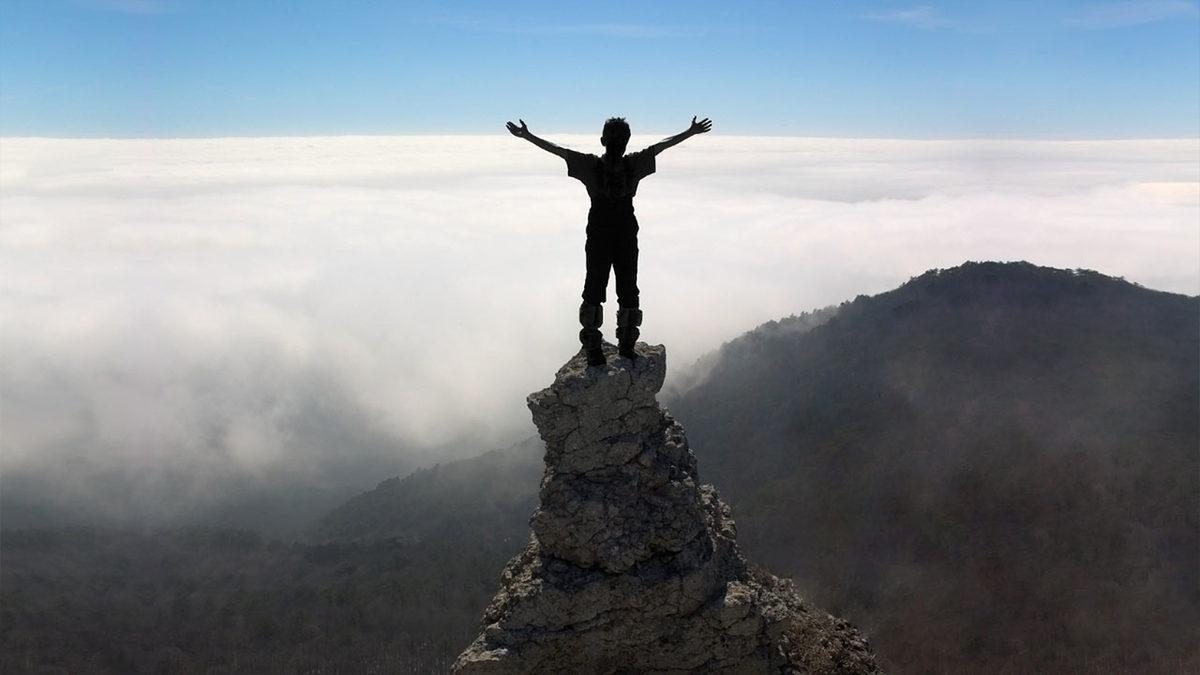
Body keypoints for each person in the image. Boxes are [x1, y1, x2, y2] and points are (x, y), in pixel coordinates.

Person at [506, 115, 712, 366]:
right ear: (627, 142)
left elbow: (557, 151)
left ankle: (593, 348)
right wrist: (690, 132)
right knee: (628, 288)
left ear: (602, 140)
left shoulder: (589, 165)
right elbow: (662, 146)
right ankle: (626, 345)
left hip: (599, 232)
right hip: (625, 231)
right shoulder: (634, 163)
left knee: (594, 287)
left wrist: (527, 136)